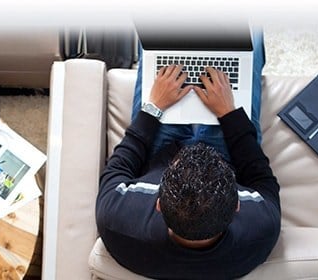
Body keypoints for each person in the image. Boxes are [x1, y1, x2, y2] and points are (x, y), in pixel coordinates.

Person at [96, 30, 280, 279]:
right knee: (251, 38)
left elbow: (120, 165)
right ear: (237, 205)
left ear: (158, 203)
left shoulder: (118, 221)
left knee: (158, 47)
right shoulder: (259, 228)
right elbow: (260, 175)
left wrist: (154, 108)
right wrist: (228, 113)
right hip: (226, 153)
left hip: (159, 153)